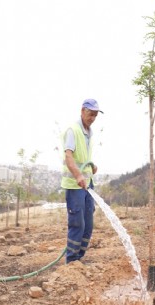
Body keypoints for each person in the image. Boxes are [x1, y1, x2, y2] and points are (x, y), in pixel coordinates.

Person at [61, 98, 103, 264]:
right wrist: (78, 175)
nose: (92, 118)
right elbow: (68, 156)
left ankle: (79, 259)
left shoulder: (89, 133)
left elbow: (83, 158)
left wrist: (91, 167)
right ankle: (71, 261)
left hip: (87, 186)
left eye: (95, 115)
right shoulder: (73, 130)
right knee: (77, 223)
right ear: (82, 111)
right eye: (90, 114)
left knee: (88, 225)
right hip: (74, 185)